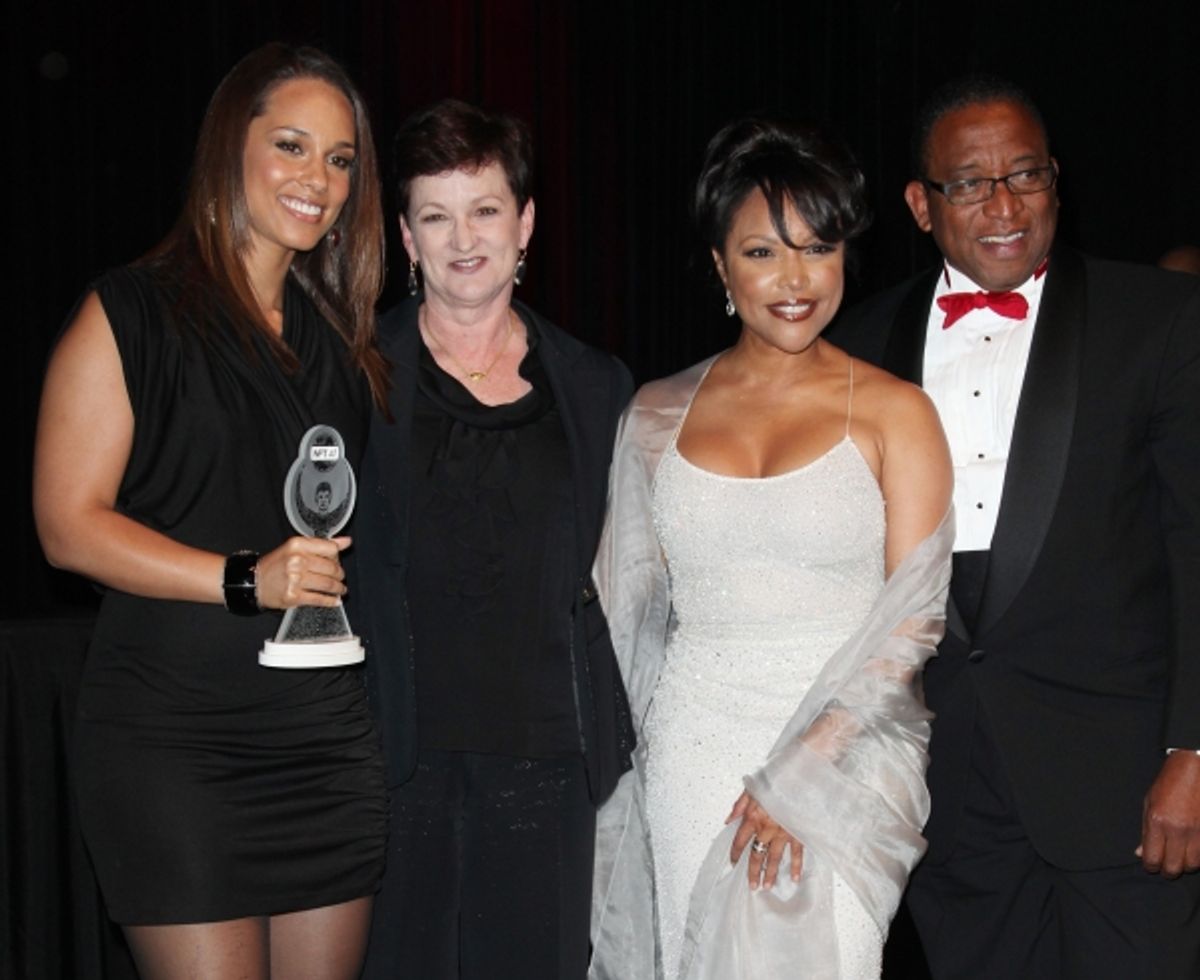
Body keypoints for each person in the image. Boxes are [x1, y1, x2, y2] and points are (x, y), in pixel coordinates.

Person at [32, 43, 389, 980]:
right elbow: (66, 525)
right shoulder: (129, 312)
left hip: (321, 742)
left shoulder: (340, 347)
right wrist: (243, 580)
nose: (318, 179)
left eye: (340, 159)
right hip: (172, 743)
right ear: (232, 144)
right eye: (291, 145)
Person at [831, 74, 1200, 978]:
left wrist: (1194, 750)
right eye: (970, 183)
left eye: (1026, 175)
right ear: (921, 204)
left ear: (1056, 182)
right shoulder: (858, 347)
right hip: (947, 798)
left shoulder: (1159, 319)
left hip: (1128, 791)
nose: (1004, 206)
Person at [590, 117, 954, 980]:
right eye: (762, 253)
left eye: (818, 249)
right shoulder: (653, 415)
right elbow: (624, 613)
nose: (795, 280)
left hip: (849, 754)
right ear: (721, 267)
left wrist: (800, 772)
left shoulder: (897, 411)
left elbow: (912, 623)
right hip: (693, 751)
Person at [352, 99, 635, 980]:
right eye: (436, 216)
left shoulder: (597, 386)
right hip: (394, 762)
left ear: (526, 223)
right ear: (406, 237)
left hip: (549, 762)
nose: (463, 238)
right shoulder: (354, 373)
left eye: (484, 209)